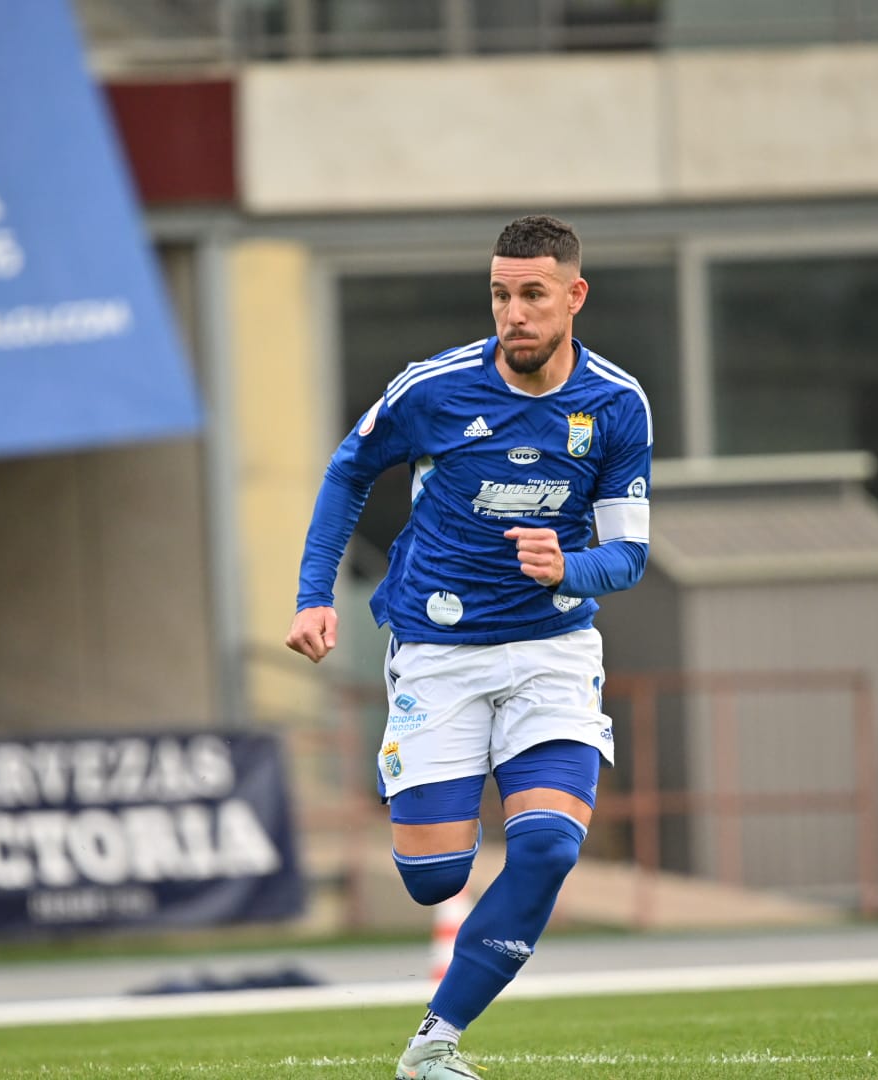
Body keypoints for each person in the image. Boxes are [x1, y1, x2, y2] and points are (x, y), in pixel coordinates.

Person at [286, 214, 652, 1079]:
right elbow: (348, 470)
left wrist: (571, 565)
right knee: (434, 877)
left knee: (548, 848)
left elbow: (628, 555)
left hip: (553, 649)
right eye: (500, 294)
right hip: (438, 649)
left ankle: (433, 1044)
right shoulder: (434, 389)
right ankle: (414, 773)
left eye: (532, 294)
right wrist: (312, 598)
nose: (513, 313)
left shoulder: (616, 405)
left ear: (574, 296)